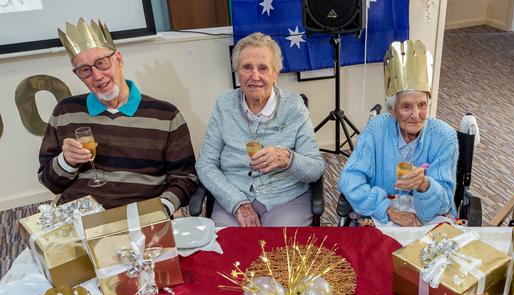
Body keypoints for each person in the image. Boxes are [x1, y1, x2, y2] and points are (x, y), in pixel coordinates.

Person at [37, 18, 198, 215]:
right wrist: (66, 162)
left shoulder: (166, 115)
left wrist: (161, 208)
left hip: (141, 215)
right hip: (79, 219)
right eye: (85, 70)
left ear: (119, 59)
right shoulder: (65, 111)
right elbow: (50, 182)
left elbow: (185, 177)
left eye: (102, 63)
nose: (97, 76)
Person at [196, 32, 324, 227]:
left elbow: (315, 168)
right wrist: (237, 203)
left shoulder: (294, 107)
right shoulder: (224, 106)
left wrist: (287, 158)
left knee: (281, 249)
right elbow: (205, 164)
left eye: (263, 68)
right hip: (234, 195)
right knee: (227, 247)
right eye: (247, 67)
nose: (255, 76)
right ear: (237, 71)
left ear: (275, 73)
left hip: (286, 198)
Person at [338, 40, 458, 227]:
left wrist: (424, 185)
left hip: (428, 219)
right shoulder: (376, 129)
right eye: (406, 106)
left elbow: (443, 203)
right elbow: (349, 180)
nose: (416, 115)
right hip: (381, 216)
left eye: (422, 105)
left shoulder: (444, 136)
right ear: (392, 110)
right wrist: (386, 209)